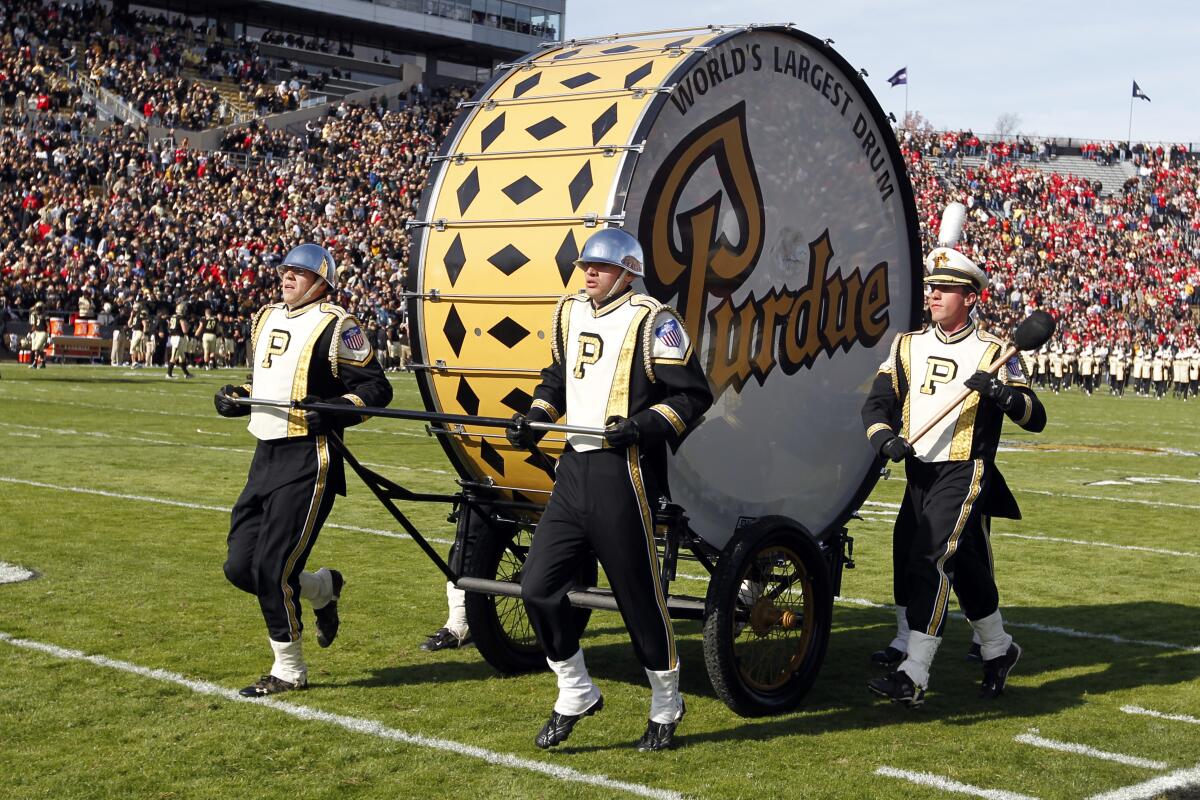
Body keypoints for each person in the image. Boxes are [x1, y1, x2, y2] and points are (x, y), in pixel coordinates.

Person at [506, 228, 713, 752]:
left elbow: (693, 396)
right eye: (584, 267)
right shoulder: (569, 311)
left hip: (626, 472)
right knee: (536, 585)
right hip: (574, 470)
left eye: (599, 267)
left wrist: (642, 426)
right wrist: (535, 416)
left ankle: (667, 703)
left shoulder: (653, 320)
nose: (588, 273)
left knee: (636, 596)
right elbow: (559, 377)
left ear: (628, 271)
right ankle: (575, 689)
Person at [861, 208, 1046, 708]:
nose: (933, 295)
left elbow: (1036, 415)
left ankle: (914, 672)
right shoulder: (906, 345)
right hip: (920, 468)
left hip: (965, 470)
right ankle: (998, 649)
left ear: (970, 296)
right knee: (961, 567)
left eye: (945, 289)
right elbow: (877, 402)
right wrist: (885, 439)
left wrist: (1004, 396)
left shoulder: (996, 353)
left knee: (929, 558)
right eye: (931, 287)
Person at [212, 243, 393, 697]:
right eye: (286, 270)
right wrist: (238, 396)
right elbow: (269, 381)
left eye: (300, 272)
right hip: (265, 455)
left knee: (273, 569)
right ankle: (322, 589)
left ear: (321, 282)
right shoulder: (266, 317)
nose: (288, 277)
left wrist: (334, 410)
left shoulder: (337, 324)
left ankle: (288, 670)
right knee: (240, 567)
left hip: (310, 456)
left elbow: (376, 388)